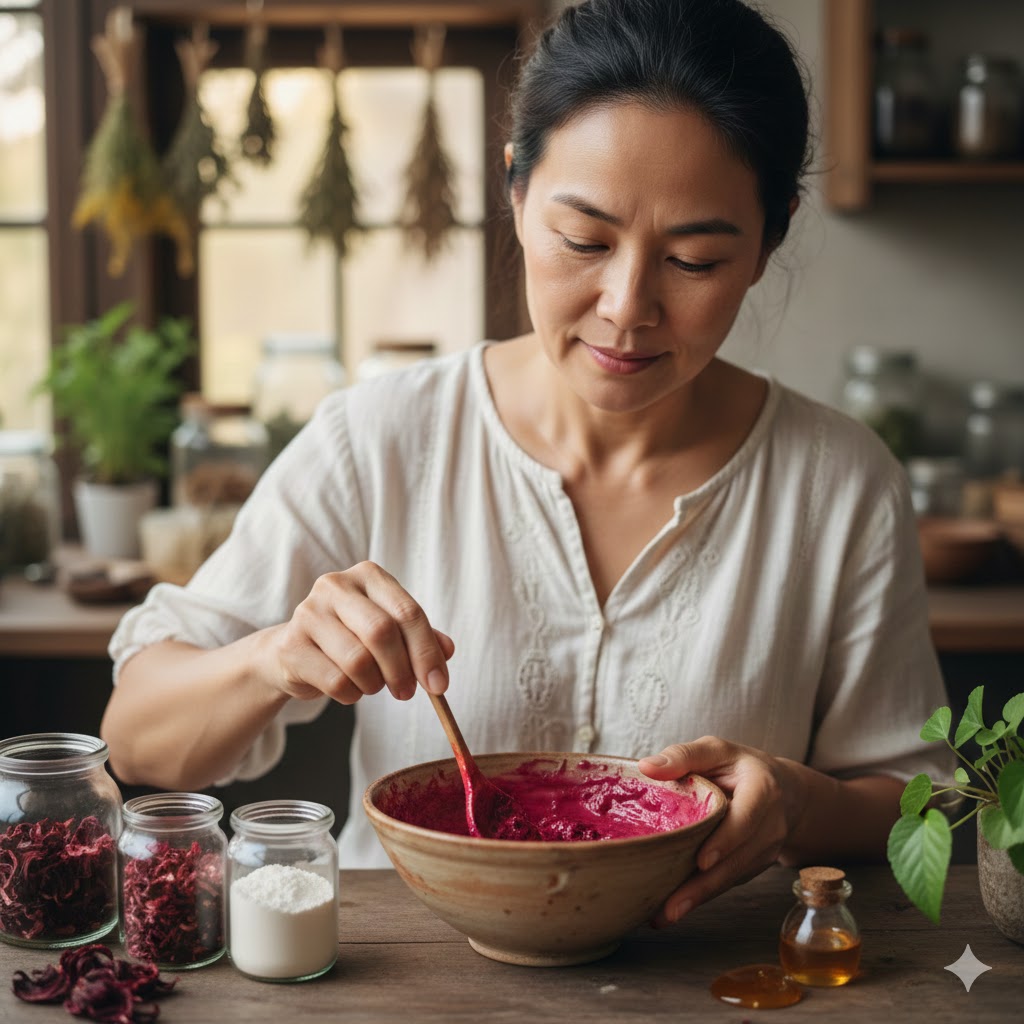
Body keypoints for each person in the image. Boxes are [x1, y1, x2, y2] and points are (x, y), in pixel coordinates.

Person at [102, 0, 950, 927]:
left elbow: (914, 799)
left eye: (696, 260)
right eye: (584, 241)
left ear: (770, 239)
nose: (627, 307)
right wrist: (272, 658)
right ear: (513, 189)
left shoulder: (838, 482)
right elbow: (140, 740)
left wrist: (797, 801)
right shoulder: (380, 436)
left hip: (715, 982)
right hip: (402, 987)